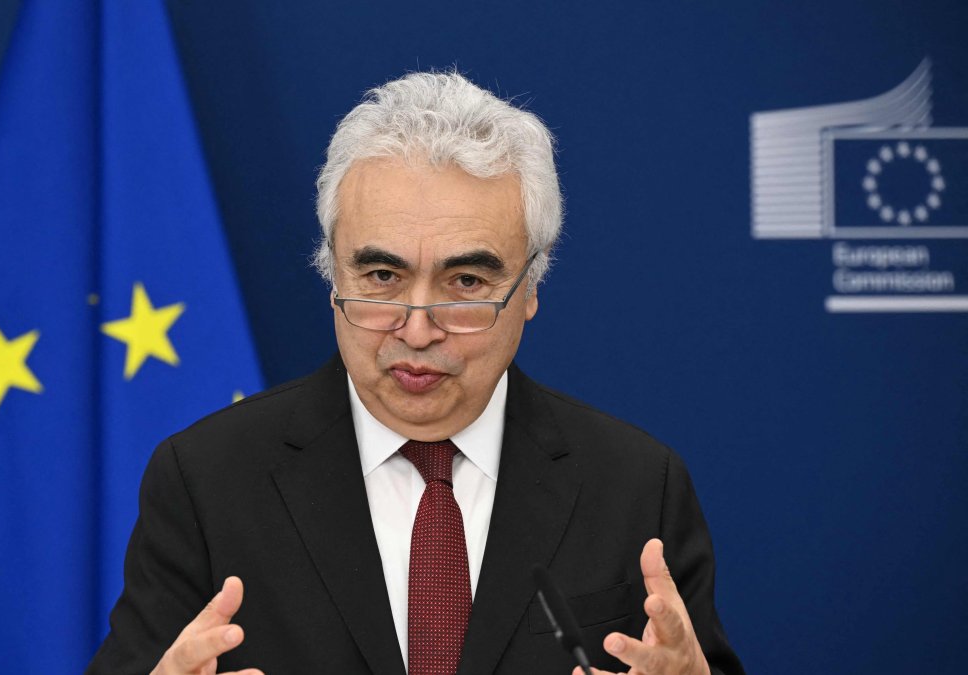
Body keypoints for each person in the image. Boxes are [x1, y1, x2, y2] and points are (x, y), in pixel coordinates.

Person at [88, 71, 744, 675]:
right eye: (381, 276)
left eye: (465, 281)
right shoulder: (205, 481)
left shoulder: (636, 485)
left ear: (531, 287)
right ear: (332, 275)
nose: (418, 327)